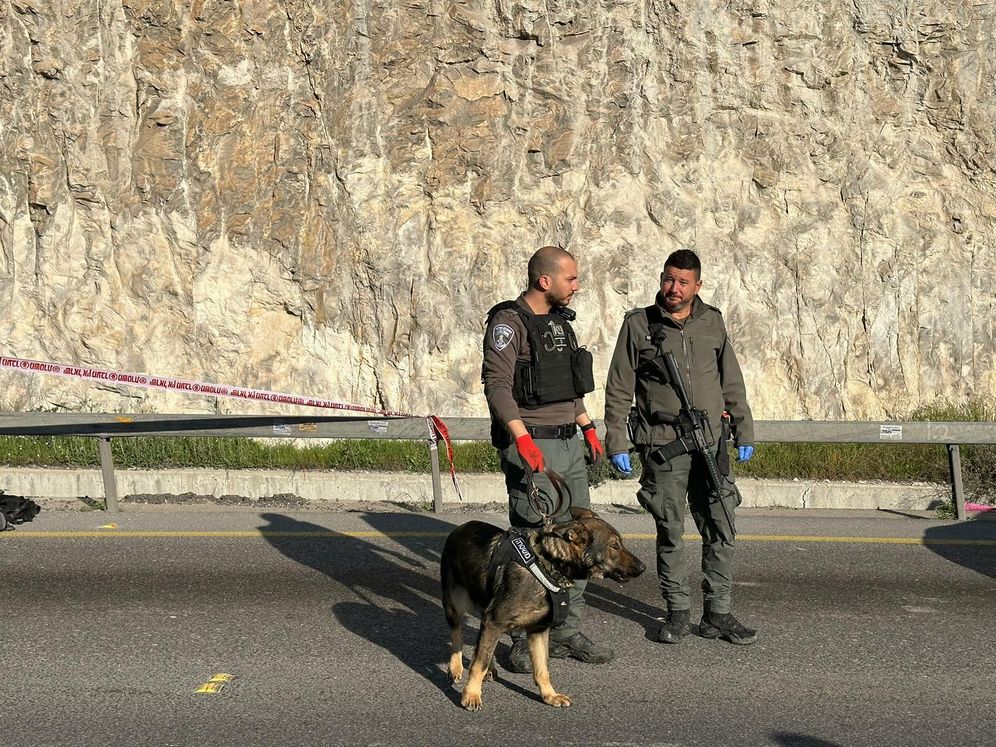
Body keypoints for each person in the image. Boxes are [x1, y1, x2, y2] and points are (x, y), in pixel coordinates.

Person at [603, 248, 758, 645]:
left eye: (683, 282)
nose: (674, 288)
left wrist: (744, 428)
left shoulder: (713, 323)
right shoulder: (639, 325)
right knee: (670, 530)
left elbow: (731, 382)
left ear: (697, 285)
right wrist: (617, 439)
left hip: (711, 444)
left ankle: (718, 614)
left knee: (721, 527)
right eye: (669, 279)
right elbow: (619, 387)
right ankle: (676, 612)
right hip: (663, 445)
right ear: (661, 278)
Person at [481, 245, 611, 673]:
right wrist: (522, 440)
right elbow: (497, 386)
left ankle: (567, 631)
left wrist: (588, 426)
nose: (577, 285)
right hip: (533, 446)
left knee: (582, 540)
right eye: (571, 278)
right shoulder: (508, 324)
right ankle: (523, 638)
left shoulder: (559, 323)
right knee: (534, 544)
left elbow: (568, 386)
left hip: (569, 444)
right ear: (545, 281)